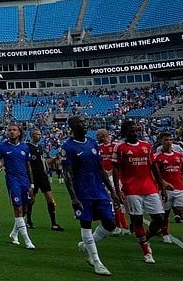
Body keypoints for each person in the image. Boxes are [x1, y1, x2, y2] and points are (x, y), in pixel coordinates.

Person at [62, 115, 120, 277]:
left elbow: (100, 169)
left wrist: (112, 191)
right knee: (85, 225)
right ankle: (97, 262)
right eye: (80, 123)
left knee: (110, 224)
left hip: (99, 191)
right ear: (72, 127)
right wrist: (73, 197)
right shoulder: (68, 147)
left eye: (84, 122)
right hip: (82, 193)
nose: (84, 124)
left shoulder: (93, 143)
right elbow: (67, 174)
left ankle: (86, 245)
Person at [113, 119, 166, 263]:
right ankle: (146, 252)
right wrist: (117, 190)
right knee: (138, 220)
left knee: (160, 219)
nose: (135, 133)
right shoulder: (120, 147)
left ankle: (145, 239)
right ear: (125, 132)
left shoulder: (146, 146)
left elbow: (154, 166)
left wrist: (161, 185)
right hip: (131, 189)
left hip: (149, 187)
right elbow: (116, 169)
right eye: (132, 131)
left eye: (137, 130)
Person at [152, 131, 183, 245]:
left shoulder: (179, 156)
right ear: (161, 141)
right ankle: (165, 234)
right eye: (166, 140)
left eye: (170, 140)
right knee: (165, 214)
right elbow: (154, 173)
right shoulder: (157, 157)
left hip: (180, 188)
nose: (169, 142)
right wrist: (162, 183)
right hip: (165, 190)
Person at [0, 123, 35, 249]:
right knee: (18, 209)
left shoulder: (25, 147)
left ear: (19, 132)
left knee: (25, 209)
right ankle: (27, 241)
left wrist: (32, 184)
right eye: (9, 129)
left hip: (25, 181)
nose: (11, 132)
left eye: (14, 130)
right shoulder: (2, 147)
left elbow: (28, 166)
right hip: (12, 181)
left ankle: (14, 233)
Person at [26, 127, 64, 231]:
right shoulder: (27, 147)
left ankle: (54, 223)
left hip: (42, 176)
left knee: (49, 198)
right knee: (32, 199)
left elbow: (44, 161)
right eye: (37, 134)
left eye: (40, 134)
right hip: (33, 176)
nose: (39, 136)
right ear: (32, 135)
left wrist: (54, 160)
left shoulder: (40, 147)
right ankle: (28, 221)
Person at [96, 128, 130, 235]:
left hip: (114, 177)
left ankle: (121, 226)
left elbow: (121, 162)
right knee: (110, 201)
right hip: (103, 177)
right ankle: (121, 226)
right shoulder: (98, 148)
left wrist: (111, 172)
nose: (97, 137)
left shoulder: (115, 146)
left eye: (98, 135)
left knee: (117, 201)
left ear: (103, 135)